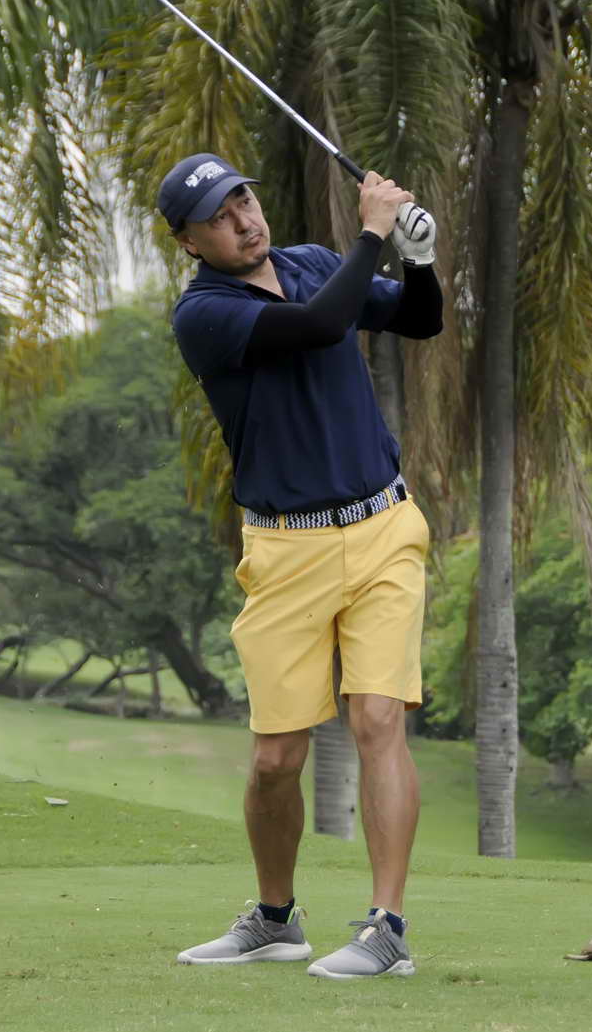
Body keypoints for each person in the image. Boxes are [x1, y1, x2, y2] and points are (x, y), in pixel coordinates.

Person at [160, 152, 443, 979]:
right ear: (190, 242)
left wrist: (419, 259)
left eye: (243, 200)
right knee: (276, 758)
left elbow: (419, 321)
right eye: (218, 217)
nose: (242, 220)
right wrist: (374, 232)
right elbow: (320, 325)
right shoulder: (205, 314)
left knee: (378, 719)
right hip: (286, 549)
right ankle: (276, 918)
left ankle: (387, 928)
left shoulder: (315, 262)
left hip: (384, 526)